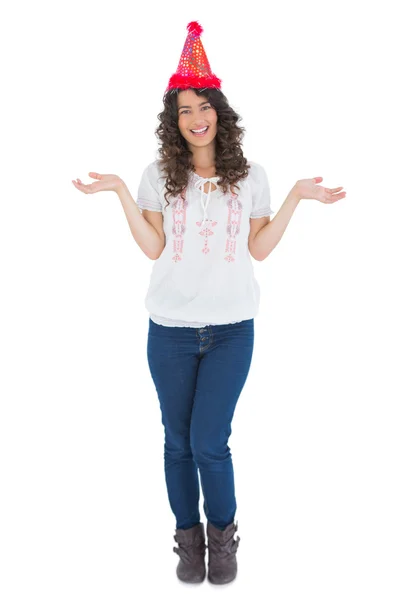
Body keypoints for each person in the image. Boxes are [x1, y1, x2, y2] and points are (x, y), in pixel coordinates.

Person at [72, 20, 346, 586]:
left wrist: (295, 196)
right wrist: (122, 191)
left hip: (230, 331)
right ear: (175, 124)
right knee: (176, 442)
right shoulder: (158, 177)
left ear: (220, 113)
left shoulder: (251, 178)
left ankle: (224, 540)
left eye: (204, 107)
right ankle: (187, 542)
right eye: (184, 111)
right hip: (169, 331)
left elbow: (260, 250)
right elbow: (153, 248)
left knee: (207, 441)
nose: (196, 119)